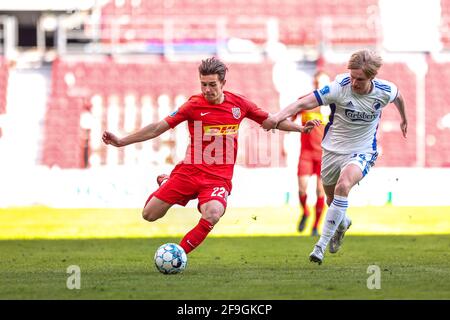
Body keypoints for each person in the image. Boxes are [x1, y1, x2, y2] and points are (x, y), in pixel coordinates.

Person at [102, 57, 321, 255]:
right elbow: (157, 128)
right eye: (203, 84)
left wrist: (300, 129)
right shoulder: (193, 105)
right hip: (189, 172)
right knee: (149, 215)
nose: (207, 90)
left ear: (223, 83)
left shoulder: (239, 104)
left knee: (213, 213)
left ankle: (178, 254)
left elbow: (271, 121)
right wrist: (121, 141)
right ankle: (168, 182)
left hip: (218, 178)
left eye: (212, 85)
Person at [263, 50, 408, 264]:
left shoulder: (385, 91)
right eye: (352, 77)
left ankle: (319, 246)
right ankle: (342, 224)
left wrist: (404, 119)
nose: (354, 82)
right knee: (332, 201)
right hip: (332, 151)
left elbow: (399, 98)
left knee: (343, 187)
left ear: (372, 78)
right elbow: (302, 103)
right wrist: (276, 117)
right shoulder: (338, 89)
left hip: (362, 150)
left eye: (360, 79)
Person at [293, 71, 330, 236]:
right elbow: (289, 117)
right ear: (314, 84)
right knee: (302, 189)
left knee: (320, 192)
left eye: (324, 84)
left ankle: (315, 226)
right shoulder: (305, 101)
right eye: (318, 83)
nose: (320, 86)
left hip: (325, 155)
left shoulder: (334, 105)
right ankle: (306, 212)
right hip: (306, 153)